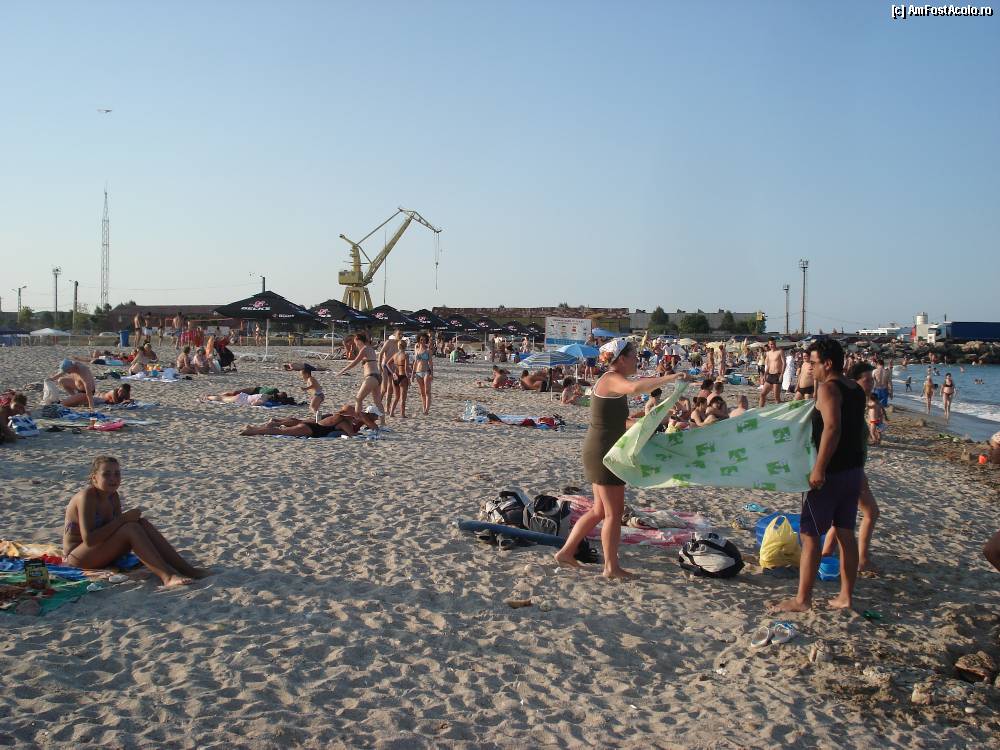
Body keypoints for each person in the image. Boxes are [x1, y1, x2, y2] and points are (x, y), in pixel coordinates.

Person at [554, 339, 688, 578]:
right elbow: (635, 388)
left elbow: (619, 422)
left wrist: (654, 420)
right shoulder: (611, 379)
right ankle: (611, 568)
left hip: (600, 450)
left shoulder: (610, 381)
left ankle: (566, 552)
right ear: (621, 359)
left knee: (599, 510)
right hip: (604, 453)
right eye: (634, 356)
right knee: (613, 514)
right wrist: (671, 377)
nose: (637, 360)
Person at [773, 339, 865, 612]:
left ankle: (802, 600)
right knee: (846, 534)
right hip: (853, 471)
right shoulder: (856, 389)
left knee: (810, 535)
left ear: (828, 363)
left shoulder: (828, 389)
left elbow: (832, 429)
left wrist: (819, 468)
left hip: (831, 474)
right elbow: (857, 432)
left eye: (813, 363)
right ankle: (846, 597)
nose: (810, 368)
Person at [62, 456, 208, 587]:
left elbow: (118, 528)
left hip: (100, 552)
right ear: (94, 478)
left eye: (117, 474)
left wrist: (128, 520)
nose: (113, 478)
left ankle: (187, 570)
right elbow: (89, 540)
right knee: (130, 528)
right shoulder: (87, 497)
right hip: (78, 558)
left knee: (141, 523)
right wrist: (123, 519)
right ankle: (167, 577)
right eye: (106, 474)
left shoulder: (113, 496)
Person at [336, 332, 386, 425]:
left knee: (358, 399)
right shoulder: (370, 348)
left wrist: (342, 371)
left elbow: (354, 362)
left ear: (359, 340)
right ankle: (383, 423)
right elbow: (351, 357)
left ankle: (356, 421)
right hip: (377, 377)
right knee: (378, 402)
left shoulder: (364, 349)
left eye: (355, 341)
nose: (355, 343)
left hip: (371, 377)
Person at [759, 338, 785, 407]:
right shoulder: (768, 353)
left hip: (777, 375)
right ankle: (760, 410)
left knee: (776, 397)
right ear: (768, 344)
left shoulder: (780, 351)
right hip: (770, 375)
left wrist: (782, 374)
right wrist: (765, 375)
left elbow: (784, 363)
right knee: (762, 394)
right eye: (771, 344)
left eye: (773, 344)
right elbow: (768, 365)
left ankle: (780, 410)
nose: (772, 345)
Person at [61, 383, 133, 408]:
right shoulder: (114, 392)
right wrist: (125, 402)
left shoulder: (127, 394)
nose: (120, 393)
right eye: (120, 390)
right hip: (99, 398)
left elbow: (128, 401)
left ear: (127, 392)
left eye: (123, 392)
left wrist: (129, 401)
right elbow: (116, 404)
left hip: (104, 399)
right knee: (82, 402)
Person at [388, 340, 411, 418]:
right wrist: (409, 379)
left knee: (396, 397)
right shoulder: (405, 355)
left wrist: (392, 373)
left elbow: (387, 364)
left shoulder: (395, 355)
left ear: (398, 346)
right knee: (403, 398)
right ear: (405, 346)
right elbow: (406, 369)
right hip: (403, 376)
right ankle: (402, 414)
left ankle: (391, 413)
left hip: (395, 377)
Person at [413, 334, 434, 415]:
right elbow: (415, 362)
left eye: (424, 340)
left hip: (426, 371)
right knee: (422, 392)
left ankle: (427, 410)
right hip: (418, 372)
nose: (423, 341)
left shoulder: (428, 351)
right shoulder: (417, 350)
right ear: (419, 340)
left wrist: (432, 373)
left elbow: (430, 363)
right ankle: (424, 407)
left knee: (427, 391)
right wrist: (413, 374)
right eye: (421, 339)